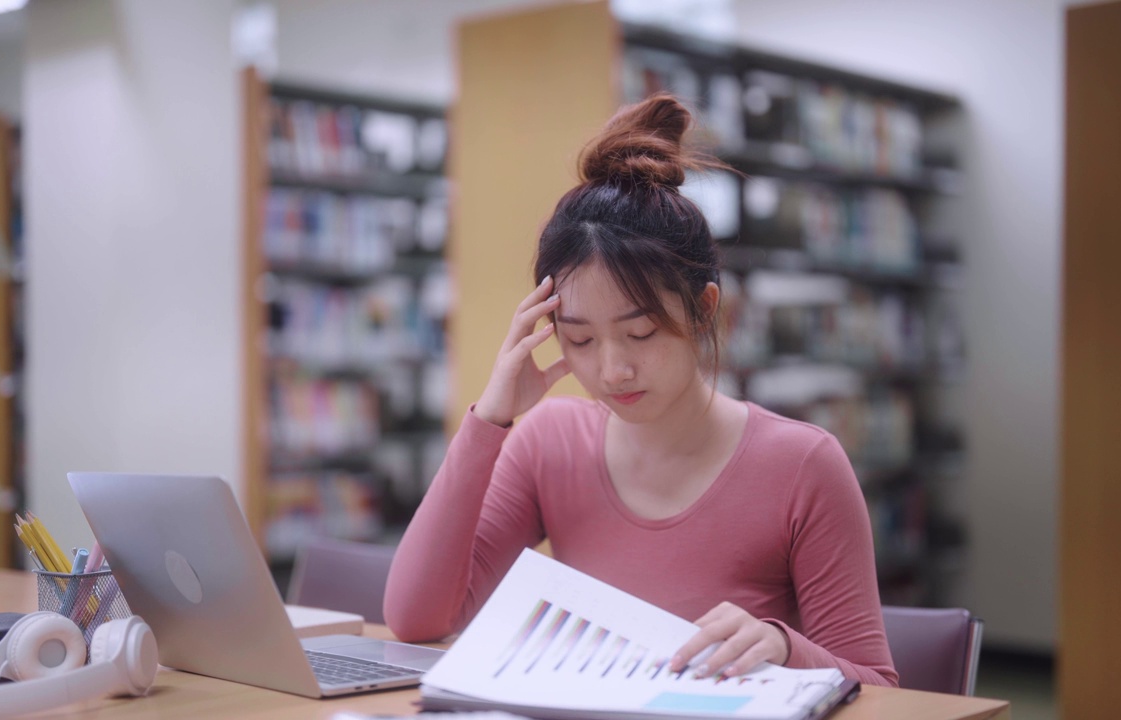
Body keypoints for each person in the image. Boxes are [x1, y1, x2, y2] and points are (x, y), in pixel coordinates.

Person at [383, 93, 897, 687]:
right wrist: (489, 421)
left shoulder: (802, 464)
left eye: (641, 332)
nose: (612, 370)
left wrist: (784, 648)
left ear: (705, 311)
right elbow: (417, 618)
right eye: (578, 339)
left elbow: (882, 689)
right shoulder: (549, 442)